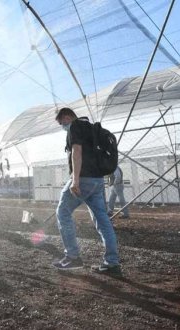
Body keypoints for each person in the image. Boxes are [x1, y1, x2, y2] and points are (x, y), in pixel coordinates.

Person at [53, 108, 121, 275]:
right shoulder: (92, 128)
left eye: (62, 123)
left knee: (62, 212)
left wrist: (75, 179)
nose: (63, 126)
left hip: (83, 179)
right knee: (102, 220)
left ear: (67, 117)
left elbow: (77, 151)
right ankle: (112, 263)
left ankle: (73, 257)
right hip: (97, 181)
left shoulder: (75, 126)